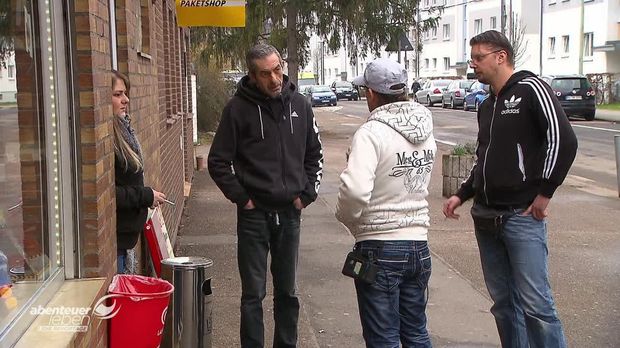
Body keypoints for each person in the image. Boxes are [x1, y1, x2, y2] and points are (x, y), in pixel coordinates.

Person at [443, 30, 577, 348]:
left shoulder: (531, 89)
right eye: (471, 58)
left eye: (479, 58)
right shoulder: (487, 105)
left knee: (537, 307)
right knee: (504, 306)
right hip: (486, 217)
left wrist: (546, 193)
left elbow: (564, 140)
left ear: (501, 57)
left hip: (521, 216)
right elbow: (485, 158)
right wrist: (461, 194)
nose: (473, 64)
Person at [207, 44, 323, 348]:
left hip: (290, 214)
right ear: (252, 75)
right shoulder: (237, 109)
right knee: (253, 295)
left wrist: (307, 194)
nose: (274, 79)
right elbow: (218, 161)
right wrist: (242, 198)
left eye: (277, 69)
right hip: (253, 216)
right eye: (265, 73)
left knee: (288, 292)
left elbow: (315, 155)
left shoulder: (301, 104)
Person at [336, 58, 436, 347]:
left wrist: (348, 218)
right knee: (416, 333)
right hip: (418, 244)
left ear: (371, 94)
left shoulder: (371, 133)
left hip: (379, 247)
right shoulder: (426, 130)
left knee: (383, 339)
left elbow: (354, 192)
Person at [112, 70, 166, 274]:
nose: (125, 100)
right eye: (117, 95)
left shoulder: (124, 131)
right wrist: (145, 195)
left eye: (125, 94)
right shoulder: (108, 139)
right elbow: (110, 194)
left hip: (127, 239)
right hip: (115, 242)